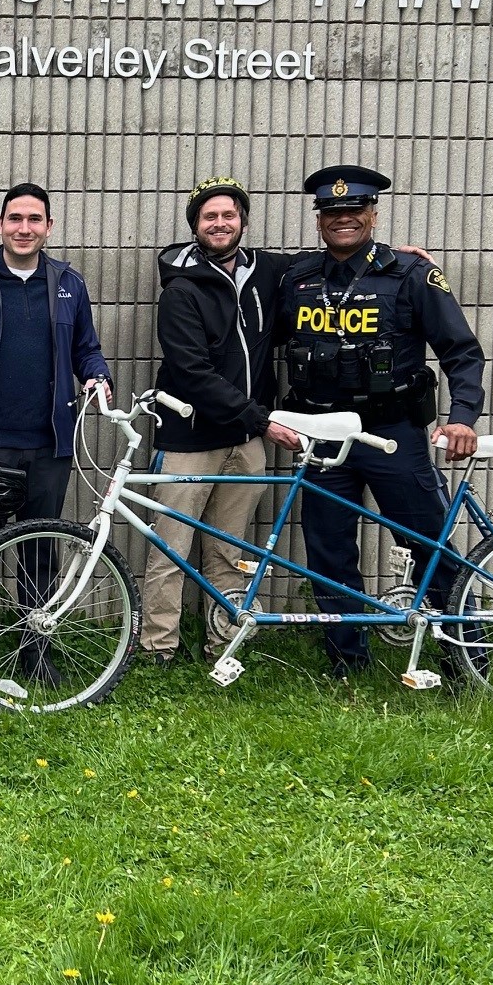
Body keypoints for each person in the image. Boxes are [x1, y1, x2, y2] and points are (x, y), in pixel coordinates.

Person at [276, 164, 485, 676]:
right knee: (328, 549)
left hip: (393, 434)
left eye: (354, 210)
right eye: (332, 212)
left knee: (428, 543)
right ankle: (347, 661)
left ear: (373, 213)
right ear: (318, 218)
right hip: (323, 437)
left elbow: (461, 352)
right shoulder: (296, 278)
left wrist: (462, 418)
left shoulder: (411, 275)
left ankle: (471, 656)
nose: (343, 219)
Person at [139, 177, 297, 663]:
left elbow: (327, 260)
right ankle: (157, 648)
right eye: (210, 217)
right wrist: (262, 419)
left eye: (229, 215)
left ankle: (221, 644)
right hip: (190, 438)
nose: (221, 223)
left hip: (246, 439)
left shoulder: (267, 272)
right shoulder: (180, 290)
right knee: (170, 550)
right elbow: (192, 373)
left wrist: (396, 254)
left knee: (229, 551)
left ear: (243, 222)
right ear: (195, 227)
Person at [0, 182, 110, 546]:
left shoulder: (70, 284)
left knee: (41, 553)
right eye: (15, 219)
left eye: (34, 219)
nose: (24, 229)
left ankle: (37, 609)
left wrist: (97, 375)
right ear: (0, 224)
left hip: (50, 447)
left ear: (49, 226)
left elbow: (86, 349)